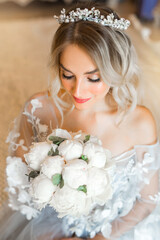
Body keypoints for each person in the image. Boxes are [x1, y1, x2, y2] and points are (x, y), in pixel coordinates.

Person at [0, 2, 160, 240]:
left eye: (93, 78)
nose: (78, 90)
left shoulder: (140, 123)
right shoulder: (39, 110)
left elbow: (147, 201)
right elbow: (19, 184)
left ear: (116, 68)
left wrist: (101, 238)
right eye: (67, 75)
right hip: (50, 225)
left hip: (116, 230)